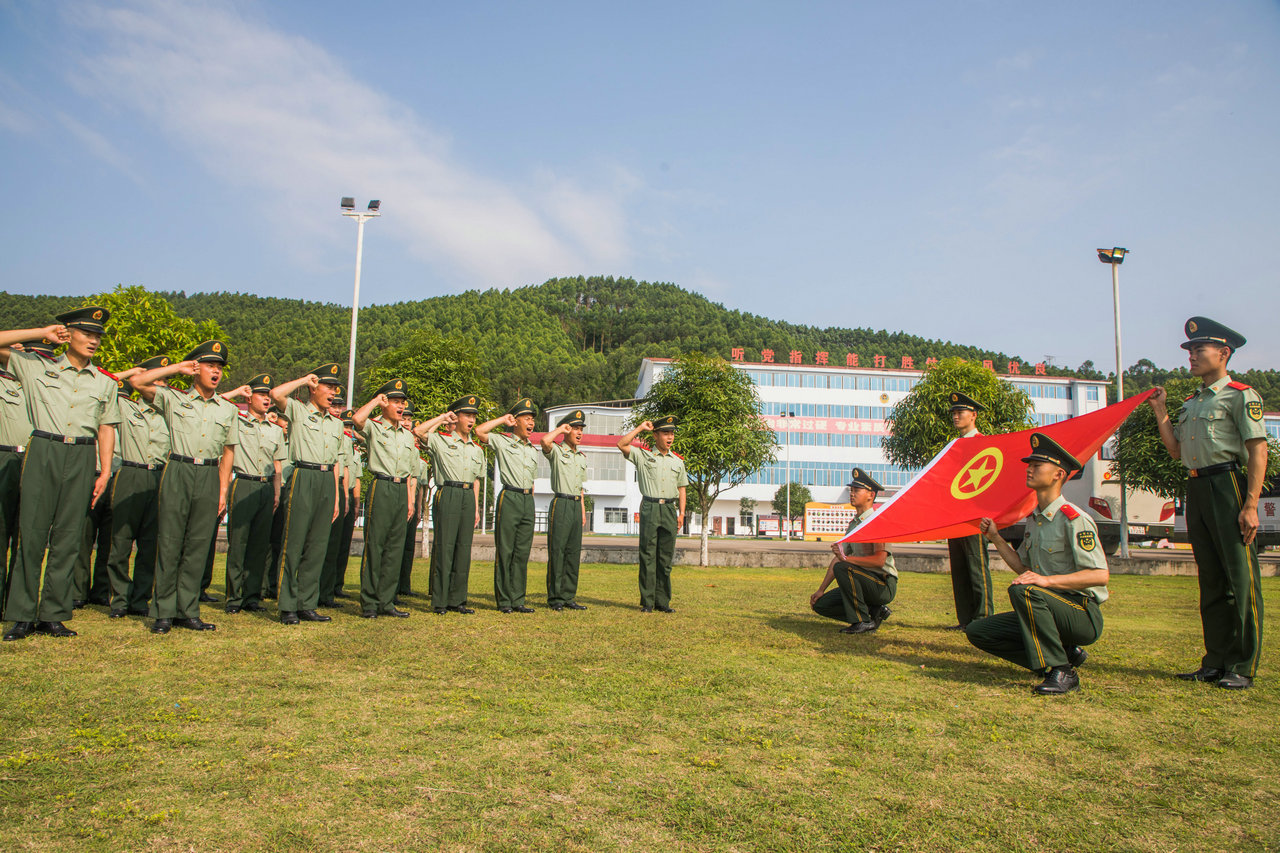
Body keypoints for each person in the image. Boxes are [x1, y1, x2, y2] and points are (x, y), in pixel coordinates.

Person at [1149, 316, 1266, 690]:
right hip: (1196, 488)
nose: (1192, 356)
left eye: (1199, 350)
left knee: (1241, 579)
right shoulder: (1192, 402)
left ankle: (1242, 664)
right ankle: (1215, 660)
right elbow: (1175, 450)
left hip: (1228, 484)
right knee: (1212, 580)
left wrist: (1250, 504)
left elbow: (1257, 451)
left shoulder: (1240, 395)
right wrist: (1161, 410)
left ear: (1224, 353)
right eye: (1190, 351)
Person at [0, 309, 120, 641]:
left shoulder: (105, 382)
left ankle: (53, 613)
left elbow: (106, 427)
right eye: (87, 333)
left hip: (83, 454)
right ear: (67, 333)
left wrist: (105, 470)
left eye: (98, 336)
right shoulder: (36, 367)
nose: (94, 340)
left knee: (68, 538)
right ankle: (22, 614)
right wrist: (40, 331)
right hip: (44, 448)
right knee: (32, 535)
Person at [966, 433, 1109, 695]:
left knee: (1025, 590)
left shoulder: (1074, 519)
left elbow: (1099, 575)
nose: (1029, 469)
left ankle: (1062, 672)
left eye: (1037, 465)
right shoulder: (1035, 520)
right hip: (1045, 605)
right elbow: (1024, 568)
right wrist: (996, 538)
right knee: (979, 631)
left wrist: (1046, 581)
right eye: (1029, 465)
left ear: (1058, 474)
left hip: (1080, 611)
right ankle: (1060, 657)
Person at [131, 341, 239, 634]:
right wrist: (176, 368)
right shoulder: (173, 399)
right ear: (195, 369)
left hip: (208, 474)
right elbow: (136, 381)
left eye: (219, 368)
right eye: (209, 366)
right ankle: (163, 611)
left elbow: (228, 451)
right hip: (178, 468)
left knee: (198, 545)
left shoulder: (227, 410)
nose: (215, 372)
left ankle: (188, 610)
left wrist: (222, 491)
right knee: (169, 542)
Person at [270, 364, 345, 625]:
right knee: (295, 542)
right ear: (314, 389)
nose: (333, 393)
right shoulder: (299, 412)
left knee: (317, 545)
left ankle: (307, 603)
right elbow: (277, 394)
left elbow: (336, 462)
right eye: (328, 387)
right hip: (303, 475)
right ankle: (287, 605)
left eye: (335, 389)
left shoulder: (336, 424)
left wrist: (335, 496)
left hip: (326, 480)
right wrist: (303, 380)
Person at [103, 357, 170, 618]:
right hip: (130, 473)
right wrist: (132, 372)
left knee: (150, 544)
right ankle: (119, 599)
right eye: (156, 380)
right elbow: (105, 384)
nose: (160, 386)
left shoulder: (170, 413)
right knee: (120, 541)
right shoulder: (125, 406)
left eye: (164, 381)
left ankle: (141, 599)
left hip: (159, 478)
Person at [350, 380, 418, 618]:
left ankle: (387, 601)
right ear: (385, 403)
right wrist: (376, 401)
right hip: (382, 486)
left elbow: (410, 473)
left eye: (403, 402)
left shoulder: (408, 436)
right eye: (396, 402)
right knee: (375, 545)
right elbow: (357, 421)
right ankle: (369, 602)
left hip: (401, 491)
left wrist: (410, 500)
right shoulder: (375, 427)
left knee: (394, 548)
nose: (401, 406)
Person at [221, 374, 287, 614]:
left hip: (267, 487)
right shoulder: (236, 421)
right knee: (238, 543)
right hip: (244, 483)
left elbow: (278, 465)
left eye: (268, 396)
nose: (266, 400)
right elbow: (218, 402)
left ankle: (252, 596)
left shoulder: (276, 431)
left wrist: (277, 493)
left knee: (260, 545)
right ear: (250, 398)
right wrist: (238, 392)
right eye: (261, 395)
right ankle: (233, 597)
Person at [415, 396, 484, 615]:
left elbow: (476, 480)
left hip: (467, 496)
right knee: (444, 548)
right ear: (456, 417)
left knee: (463, 550)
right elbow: (418, 432)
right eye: (467, 415)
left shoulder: (477, 449)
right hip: (448, 492)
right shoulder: (441, 441)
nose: (471, 420)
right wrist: (442, 418)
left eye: (473, 416)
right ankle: (440, 600)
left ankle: (458, 600)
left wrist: (476, 507)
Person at [810, 468, 896, 634]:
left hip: (882, 584)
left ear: (870, 495)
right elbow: (838, 559)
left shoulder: (876, 522)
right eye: (851, 490)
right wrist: (821, 590)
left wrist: (845, 559)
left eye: (857, 490)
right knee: (821, 605)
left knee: (843, 567)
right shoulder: (854, 524)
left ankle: (861, 621)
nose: (852, 493)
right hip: (860, 580)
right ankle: (873, 613)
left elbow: (879, 561)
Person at [475, 399, 540, 614]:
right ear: (516, 421)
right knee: (506, 550)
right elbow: (480, 431)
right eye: (527, 419)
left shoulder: (532, 449)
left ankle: (518, 599)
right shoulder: (503, 441)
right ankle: (504, 600)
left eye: (532, 420)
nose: (531, 423)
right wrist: (503, 419)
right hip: (509, 497)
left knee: (522, 552)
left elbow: (531, 480)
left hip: (527, 500)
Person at [618, 416, 688, 612]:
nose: (670, 437)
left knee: (665, 558)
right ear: (656, 435)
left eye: (672, 433)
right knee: (648, 556)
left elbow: (682, 488)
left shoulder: (678, 462)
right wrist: (640, 428)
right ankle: (648, 602)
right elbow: (621, 444)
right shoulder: (643, 456)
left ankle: (662, 602)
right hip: (649, 506)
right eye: (665, 433)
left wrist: (681, 513)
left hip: (669, 510)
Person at [0, 338, 45, 619]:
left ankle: (17, 605)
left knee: (27, 536)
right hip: (4, 456)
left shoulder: (39, 384)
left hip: (35, 458)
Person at [945, 391, 993, 629]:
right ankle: (965, 619)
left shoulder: (983, 444)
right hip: (955, 516)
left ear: (973, 415)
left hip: (974, 517)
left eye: (960, 412)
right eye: (953, 413)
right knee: (960, 569)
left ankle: (983, 618)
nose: (955, 417)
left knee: (977, 567)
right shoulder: (954, 446)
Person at [540, 409, 589, 611]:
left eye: (581, 429)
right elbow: (544, 442)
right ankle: (555, 597)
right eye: (575, 428)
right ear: (567, 430)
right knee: (558, 551)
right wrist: (560, 429)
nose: (579, 433)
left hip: (576, 505)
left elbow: (581, 488)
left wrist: (583, 511)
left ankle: (569, 596)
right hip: (560, 503)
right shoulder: (557, 451)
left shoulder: (582, 457)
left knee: (572, 552)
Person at [318, 397, 354, 607]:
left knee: (333, 545)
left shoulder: (342, 434)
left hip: (338, 485)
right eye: (334, 405)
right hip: (320, 480)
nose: (337, 409)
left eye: (340, 406)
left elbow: (345, 467)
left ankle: (327, 592)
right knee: (314, 542)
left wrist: (345, 496)